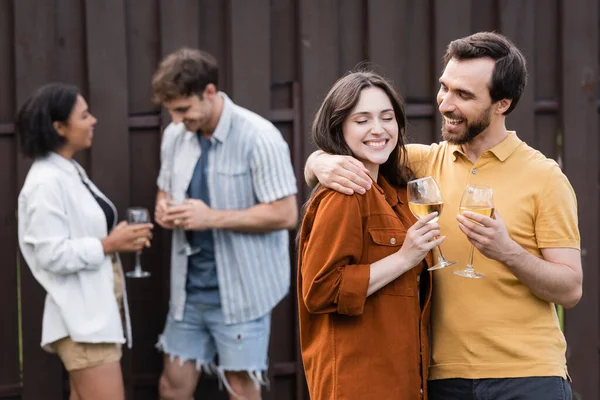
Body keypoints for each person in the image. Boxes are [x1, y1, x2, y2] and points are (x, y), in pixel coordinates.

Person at [305, 32, 582, 399]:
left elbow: (570, 289)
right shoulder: (420, 163)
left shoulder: (544, 177)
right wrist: (320, 161)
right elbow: (364, 149)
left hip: (527, 375)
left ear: (502, 103)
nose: (445, 104)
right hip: (441, 378)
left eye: (463, 95)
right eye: (444, 88)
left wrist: (507, 251)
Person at [151, 48, 298, 400]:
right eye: (171, 110)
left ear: (210, 92)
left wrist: (211, 218)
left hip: (242, 293)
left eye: (183, 110)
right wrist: (163, 209)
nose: (175, 119)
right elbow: (163, 190)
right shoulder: (176, 135)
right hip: (188, 291)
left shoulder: (259, 137)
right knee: (172, 386)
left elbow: (286, 213)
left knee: (241, 390)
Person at [298, 70, 441, 399]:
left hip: (402, 379)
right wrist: (405, 257)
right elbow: (320, 290)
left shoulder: (397, 189)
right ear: (339, 128)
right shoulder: (344, 194)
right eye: (362, 120)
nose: (378, 129)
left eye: (387, 118)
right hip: (359, 381)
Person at [16, 83, 153, 400]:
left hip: (93, 318)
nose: (93, 121)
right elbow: (50, 253)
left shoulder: (68, 170)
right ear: (59, 127)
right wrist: (108, 244)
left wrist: (116, 239)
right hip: (82, 323)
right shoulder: (45, 182)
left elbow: (79, 233)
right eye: (85, 115)